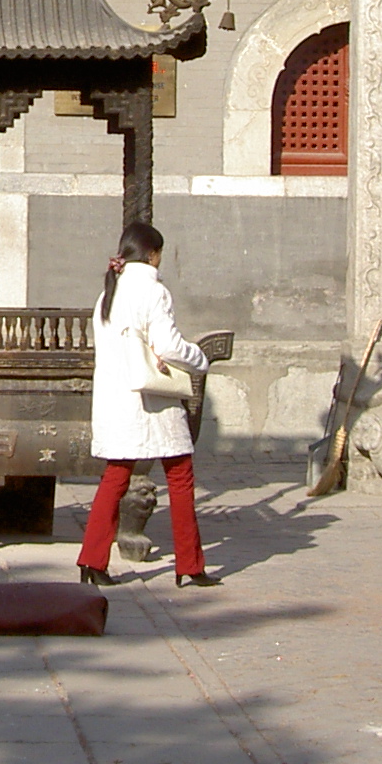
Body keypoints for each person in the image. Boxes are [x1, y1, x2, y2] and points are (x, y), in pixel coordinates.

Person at [76, 221, 220, 589]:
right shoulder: (153, 291)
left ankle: (92, 560)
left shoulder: (108, 293)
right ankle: (189, 564)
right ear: (153, 254)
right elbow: (169, 345)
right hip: (152, 399)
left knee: (115, 477)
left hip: (117, 399)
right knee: (180, 475)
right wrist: (198, 357)